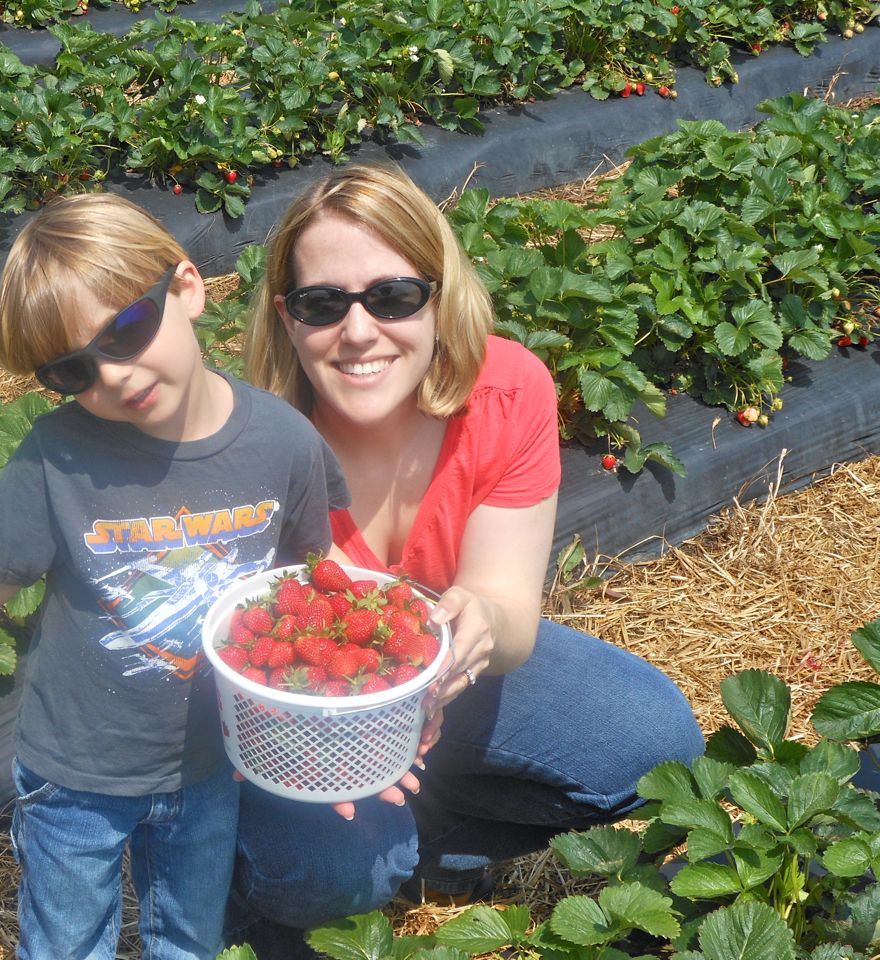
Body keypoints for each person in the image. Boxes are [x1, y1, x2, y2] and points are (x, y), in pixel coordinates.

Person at [0, 193, 349, 960]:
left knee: (188, 936)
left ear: (186, 287)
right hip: (76, 769)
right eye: (74, 369)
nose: (114, 375)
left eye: (125, 330)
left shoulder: (282, 439)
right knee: (64, 941)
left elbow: (309, 581)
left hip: (211, 760)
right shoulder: (59, 456)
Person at [230, 162, 705, 955]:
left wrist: (478, 620)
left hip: (441, 671)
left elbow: (510, 613)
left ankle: (428, 845)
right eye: (322, 304)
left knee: (650, 741)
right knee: (336, 869)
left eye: (393, 296)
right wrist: (330, 752)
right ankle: (298, 880)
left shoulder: (508, 390)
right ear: (286, 318)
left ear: (439, 296)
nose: (358, 332)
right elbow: (248, 662)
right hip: (305, 723)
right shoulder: (252, 440)